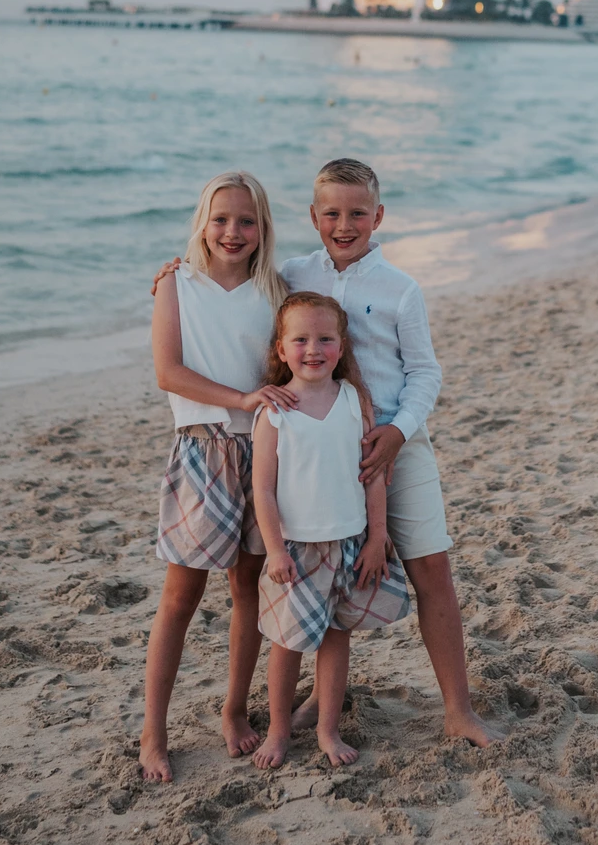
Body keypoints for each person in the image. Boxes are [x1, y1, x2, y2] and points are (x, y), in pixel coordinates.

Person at [281, 158, 494, 747]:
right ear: (314, 216)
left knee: (431, 567)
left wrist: (398, 433)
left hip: (399, 442)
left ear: (378, 215)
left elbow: (425, 372)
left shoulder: (400, 288)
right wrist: (177, 273)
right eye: (331, 213)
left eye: (357, 213)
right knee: (315, 570)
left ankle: (459, 710)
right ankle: (320, 696)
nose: (344, 225)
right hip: (322, 450)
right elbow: (236, 282)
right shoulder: (294, 273)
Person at [140, 171, 289, 782]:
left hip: (262, 455)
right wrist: (243, 398)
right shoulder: (177, 284)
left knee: (248, 591)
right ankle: (153, 733)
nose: (233, 232)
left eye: (246, 221)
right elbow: (168, 373)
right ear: (202, 222)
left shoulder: (275, 288)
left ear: (263, 229)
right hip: (202, 455)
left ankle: (233, 710)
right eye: (220, 219)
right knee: (180, 597)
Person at [251, 291, 410, 769]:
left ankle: (326, 729)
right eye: (300, 340)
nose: (313, 349)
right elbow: (262, 489)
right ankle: (278, 731)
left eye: (325, 338)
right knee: (288, 645)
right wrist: (275, 551)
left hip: (350, 541)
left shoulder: (354, 400)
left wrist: (378, 535)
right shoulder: (275, 412)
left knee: (337, 637)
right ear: (281, 350)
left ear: (342, 347)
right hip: (295, 550)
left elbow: (372, 473)